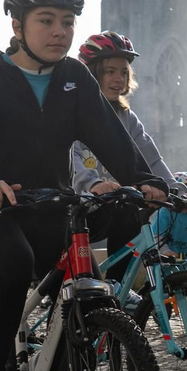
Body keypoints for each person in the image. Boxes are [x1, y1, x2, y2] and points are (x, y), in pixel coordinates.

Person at [0, 0, 167, 371]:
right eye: (46, 20)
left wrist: (145, 181)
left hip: (50, 207)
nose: (59, 32)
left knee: (83, 276)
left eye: (68, 22)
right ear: (17, 25)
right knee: (13, 265)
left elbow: (109, 138)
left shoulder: (73, 76)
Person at [69, 31, 175, 276]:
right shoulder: (74, 110)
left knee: (130, 211)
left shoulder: (127, 117)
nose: (118, 79)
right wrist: (92, 182)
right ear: (93, 73)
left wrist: (174, 188)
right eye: (110, 71)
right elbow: (70, 155)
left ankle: (118, 292)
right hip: (73, 209)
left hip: (106, 207)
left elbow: (150, 157)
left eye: (124, 72)